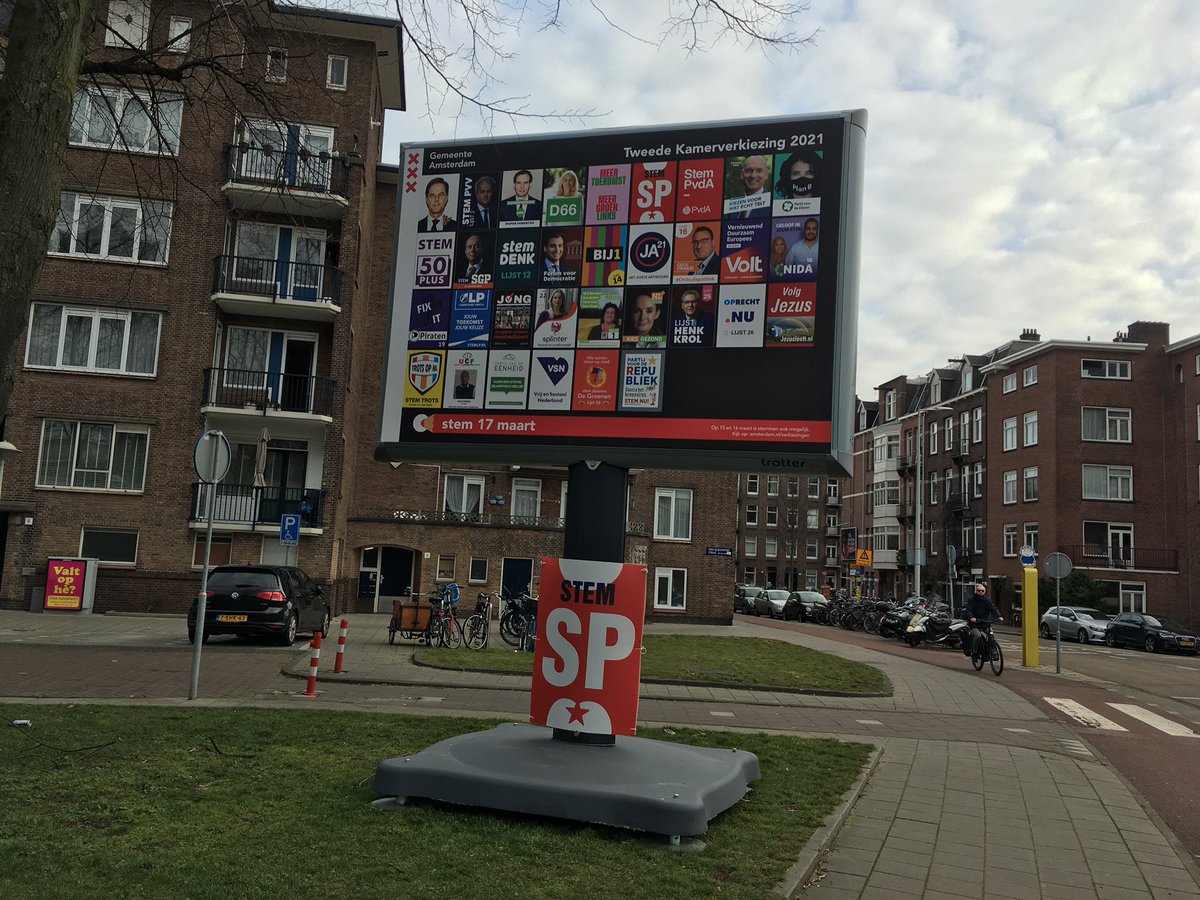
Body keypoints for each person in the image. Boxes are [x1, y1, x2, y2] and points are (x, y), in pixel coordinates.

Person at [964, 583, 1003, 658]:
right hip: (974, 624)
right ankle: (974, 652)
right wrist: (971, 617)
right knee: (977, 636)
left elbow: (994, 609)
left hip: (984, 623)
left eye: (982, 591)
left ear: (985, 592)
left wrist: (999, 616)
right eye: (979, 591)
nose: (981, 592)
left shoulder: (987, 600)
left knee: (991, 635)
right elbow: (968, 610)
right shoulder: (971, 600)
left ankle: (992, 650)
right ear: (976, 591)